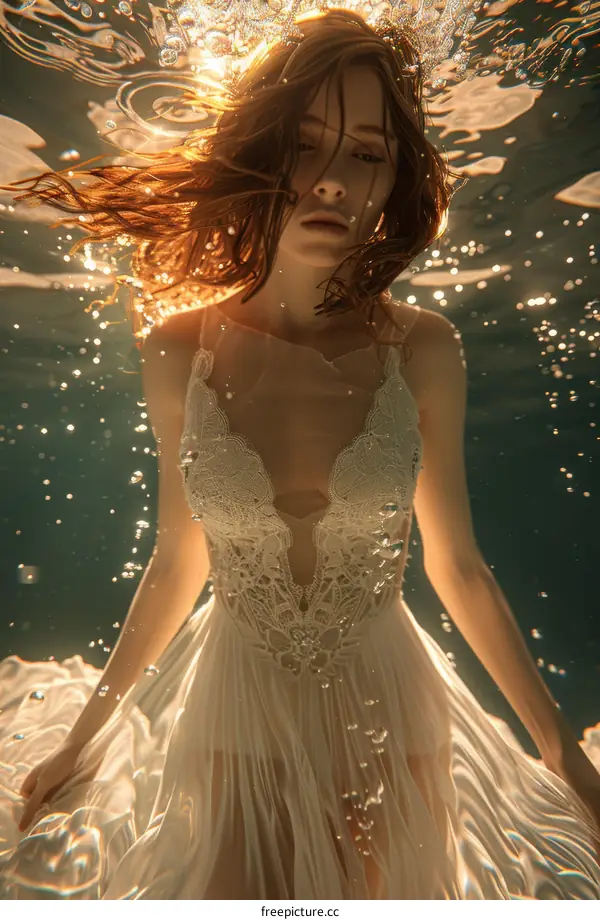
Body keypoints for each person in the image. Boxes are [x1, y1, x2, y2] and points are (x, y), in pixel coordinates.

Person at [0, 9, 599, 900]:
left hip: (396, 725)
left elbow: (458, 566)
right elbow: (177, 559)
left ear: (395, 177)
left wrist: (562, 756)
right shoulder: (176, 350)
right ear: (262, 154)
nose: (331, 183)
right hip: (231, 716)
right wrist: (83, 743)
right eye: (306, 144)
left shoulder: (424, 347)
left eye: (365, 153)